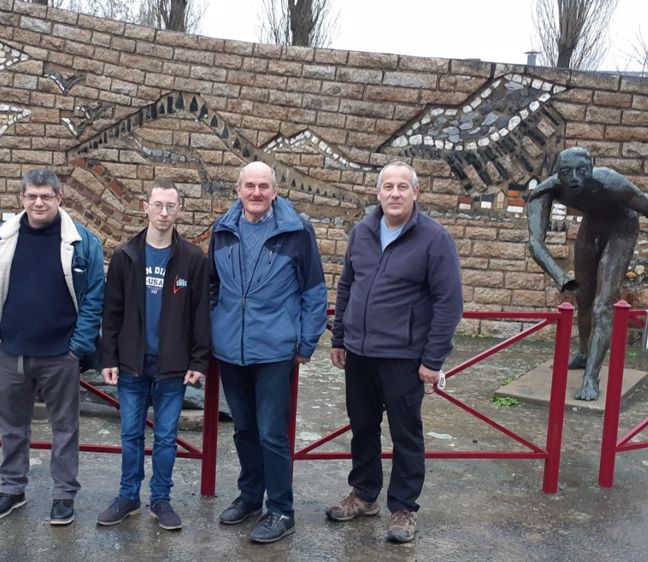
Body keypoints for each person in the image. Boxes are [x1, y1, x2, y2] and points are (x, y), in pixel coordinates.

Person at [327, 160, 463, 543]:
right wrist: (339, 338)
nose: (395, 193)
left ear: (415, 193)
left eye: (403, 187)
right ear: (378, 193)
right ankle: (365, 495)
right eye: (388, 186)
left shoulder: (434, 238)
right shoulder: (363, 231)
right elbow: (346, 285)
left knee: (406, 435)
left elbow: (449, 302)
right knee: (362, 429)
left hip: (405, 357)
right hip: (360, 354)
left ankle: (404, 508)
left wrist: (432, 361)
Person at [0, 168, 104, 526]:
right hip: (10, 351)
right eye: (32, 195)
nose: (38, 202)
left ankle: (64, 495)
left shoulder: (82, 241)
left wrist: (78, 348)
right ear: (22, 198)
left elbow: (94, 296)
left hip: (61, 354)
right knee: (11, 426)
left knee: (65, 429)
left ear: (60, 198)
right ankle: (12, 489)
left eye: (46, 195)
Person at [209, 161, 327, 544]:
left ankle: (281, 509)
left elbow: (313, 290)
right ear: (238, 189)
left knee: (272, 433)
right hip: (230, 348)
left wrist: (306, 341)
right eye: (250, 186)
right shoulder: (222, 230)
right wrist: (215, 325)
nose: (256, 192)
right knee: (243, 429)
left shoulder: (296, 231)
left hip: (276, 350)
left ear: (274, 191)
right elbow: (212, 286)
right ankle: (249, 497)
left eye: (264, 186)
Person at [95, 180, 210, 531]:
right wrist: (108, 358)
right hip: (131, 363)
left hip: (173, 367)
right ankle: (128, 496)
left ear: (180, 210)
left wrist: (198, 360)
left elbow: (201, 312)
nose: (163, 213)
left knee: (165, 437)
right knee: (130, 434)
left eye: (170, 206)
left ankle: (161, 499)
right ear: (145, 206)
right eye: (157, 205)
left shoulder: (192, 258)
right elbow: (111, 313)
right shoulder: (126, 255)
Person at [527, 146, 648, 400]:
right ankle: (583, 352)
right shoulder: (546, 191)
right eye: (566, 173)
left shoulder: (611, 182)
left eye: (581, 172)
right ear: (557, 174)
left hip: (622, 229)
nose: (574, 179)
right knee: (583, 297)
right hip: (591, 227)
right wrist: (561, 278)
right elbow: (535, 243)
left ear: (591, 169)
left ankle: (590, 380)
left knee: (602, 303)